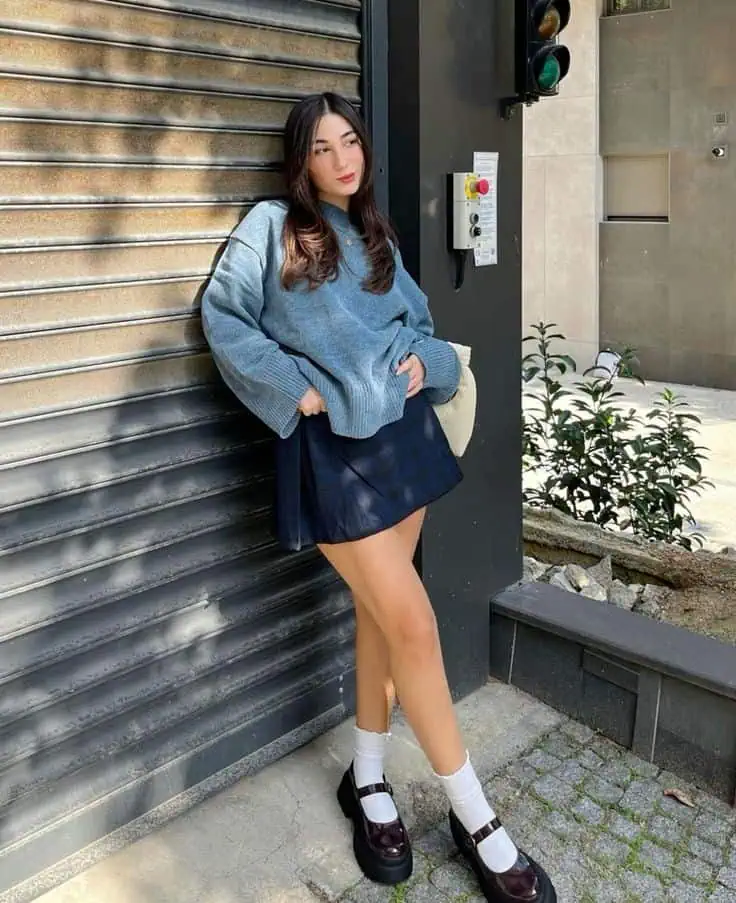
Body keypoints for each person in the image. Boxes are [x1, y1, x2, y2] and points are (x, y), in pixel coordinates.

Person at [200, 92, 556, 903]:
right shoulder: (272, 227)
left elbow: (423, 328)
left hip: (403, 440)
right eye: (321, 148)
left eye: (350, 141)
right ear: (300, 162)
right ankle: (477, 819)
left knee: (381, 617)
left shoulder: (374, 234)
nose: (341, 159)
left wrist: (428, 366)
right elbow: (224, 315)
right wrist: (293, 387)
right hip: (332, 452)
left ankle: (366, 778)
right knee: (415, 624)